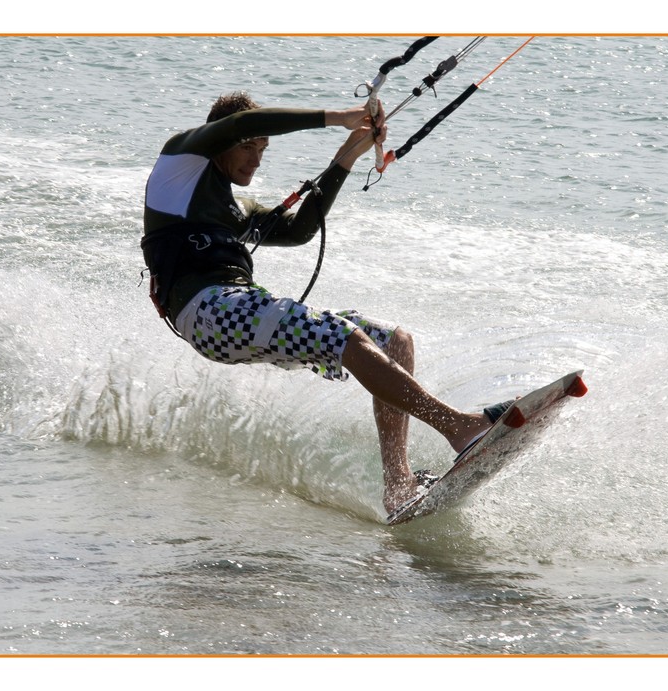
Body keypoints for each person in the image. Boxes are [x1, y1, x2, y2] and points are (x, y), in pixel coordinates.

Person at [141, 91, 509, 515]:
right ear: (219, 138)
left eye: (263, 149)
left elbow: (299, 231)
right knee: (341, 335)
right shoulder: (180, 162)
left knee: (395, 341)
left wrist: (347, 155)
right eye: (248, 146)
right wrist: (341, 117)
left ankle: (399, 484)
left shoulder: (236, 208)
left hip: (238, 310)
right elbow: (239, 123)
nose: (256, 158)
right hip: (208, 312)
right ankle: (460, 427)